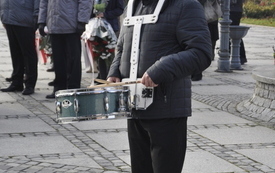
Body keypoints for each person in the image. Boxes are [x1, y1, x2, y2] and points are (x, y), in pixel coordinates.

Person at [107, 0, 212, 172]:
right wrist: (115, 71)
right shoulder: (132, 5)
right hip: (134, 110)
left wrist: (161, 68)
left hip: (167, 109)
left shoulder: (186, 5)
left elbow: (201, 53)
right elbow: (122, 46)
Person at [38, 0, 94, 99]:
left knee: (73, 59)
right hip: (54, 25)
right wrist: (41, 21)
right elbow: (44, 2)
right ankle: (59, 88)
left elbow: (85, 2)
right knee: (58, 60)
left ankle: (73, 88)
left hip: (71, 25)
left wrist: (82, 20)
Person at [0, 0, 39, 95]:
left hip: (25, 20)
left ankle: (30, 84)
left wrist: (36, 17)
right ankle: (17, 82)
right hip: (9, 19)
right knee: (15, 53)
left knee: (28, 54)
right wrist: (3, 16)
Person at [92, 0, 124, 80]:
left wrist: (105, 14)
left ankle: (111, 75)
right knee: (99, 52)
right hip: (97, 27)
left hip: (111, 27)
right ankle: (102, 76)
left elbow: (120, 9)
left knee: (110, 54)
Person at [192, 0, 220, 81]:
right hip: (203, 19)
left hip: (205, 19)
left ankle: (196, 72)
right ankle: (196, 72)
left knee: (198, 45)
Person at [230, 0, 247, 64]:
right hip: (233, 10)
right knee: (231, 33)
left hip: (233, 11)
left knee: (234, 33)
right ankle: (238, 55)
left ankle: (240, 56)